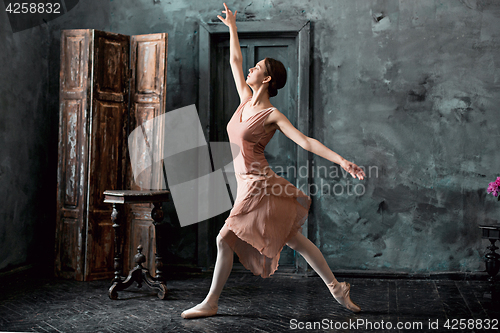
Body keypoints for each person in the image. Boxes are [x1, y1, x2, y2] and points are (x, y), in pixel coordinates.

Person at [181, 3, 366, 319]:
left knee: (224, 238)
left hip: (258, 183)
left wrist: (342, 161)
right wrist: (233, 28)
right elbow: (234, 60)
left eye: (257, 67)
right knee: (294, 239)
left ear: (267, 80)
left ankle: (211, 303)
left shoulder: (272, 115)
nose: (250, 69)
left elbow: (305, 141)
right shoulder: (243, 101)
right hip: (246, 185)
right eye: (252, 67)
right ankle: (336, 288)